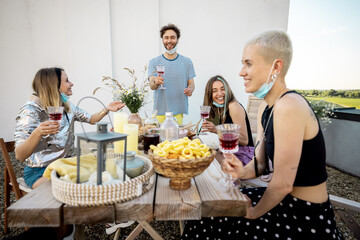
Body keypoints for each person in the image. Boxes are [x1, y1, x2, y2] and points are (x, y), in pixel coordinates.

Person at [182, 30, 342, 239]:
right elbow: (260, 164)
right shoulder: (266, 108)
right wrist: (240, 172)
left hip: (304, 216)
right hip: (281, 202)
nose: (241, 72)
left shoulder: (289, 106)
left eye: (248, 63)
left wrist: (253, 212)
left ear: (276, 66)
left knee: (208, 220)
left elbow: (283, 183)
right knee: (205, 208)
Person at [14, 67, 125, 189]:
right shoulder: (30, 111)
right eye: (67, 80)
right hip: (40, 172)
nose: (72, 84)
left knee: (102, 167)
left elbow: (91, 119)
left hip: (64, 164)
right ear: (53, 85)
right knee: (76, 185)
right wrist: (38, 133)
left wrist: (107, 109)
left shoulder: (66, 105)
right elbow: (19, 155)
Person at [148, 23, 195, 125]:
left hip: (178, 112)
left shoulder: (187, 62)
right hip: (159, 113)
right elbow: (152, 85)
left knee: (176, 140)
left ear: (177, 40)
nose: (169, 41)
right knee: (160, 140)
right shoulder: (154, 62)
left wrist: (190, 89)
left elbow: (191, 83)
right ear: (162, 40)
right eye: (166, 38)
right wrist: (156, 81)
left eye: (173, 37)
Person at [201, 75, 254, 166]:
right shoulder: (217, 108)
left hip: (242, 153)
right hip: (226, 151)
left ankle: (233, 179)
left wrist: (217, 130)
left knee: (207, 160)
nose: (220, 93)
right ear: (209, 94)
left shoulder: (233, 106)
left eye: (223, 89)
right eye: (214, 91)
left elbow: (244, 140)